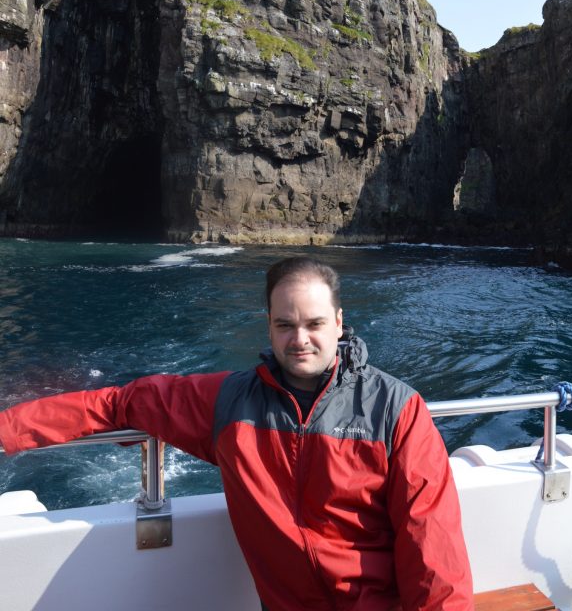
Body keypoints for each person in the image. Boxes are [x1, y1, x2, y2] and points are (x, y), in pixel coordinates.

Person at [0, 256, 474, 611]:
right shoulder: (230, 403)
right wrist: (7, 431)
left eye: (314, 324)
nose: (300, 339)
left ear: (340, 323)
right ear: (268, 325)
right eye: (285, 325)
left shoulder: (395, 409)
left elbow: (431, 545)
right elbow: (122, 403)